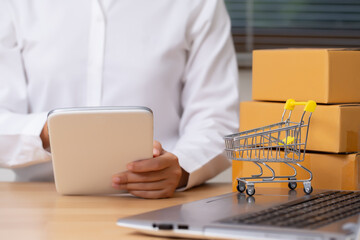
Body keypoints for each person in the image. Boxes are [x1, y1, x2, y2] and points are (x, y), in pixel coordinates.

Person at [0, 0, 239, 198]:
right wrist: (48, 131)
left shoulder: (198, 4)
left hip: (159, 205)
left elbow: (217, 117)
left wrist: (181, 166)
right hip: (38, 204)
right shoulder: (14, 5)